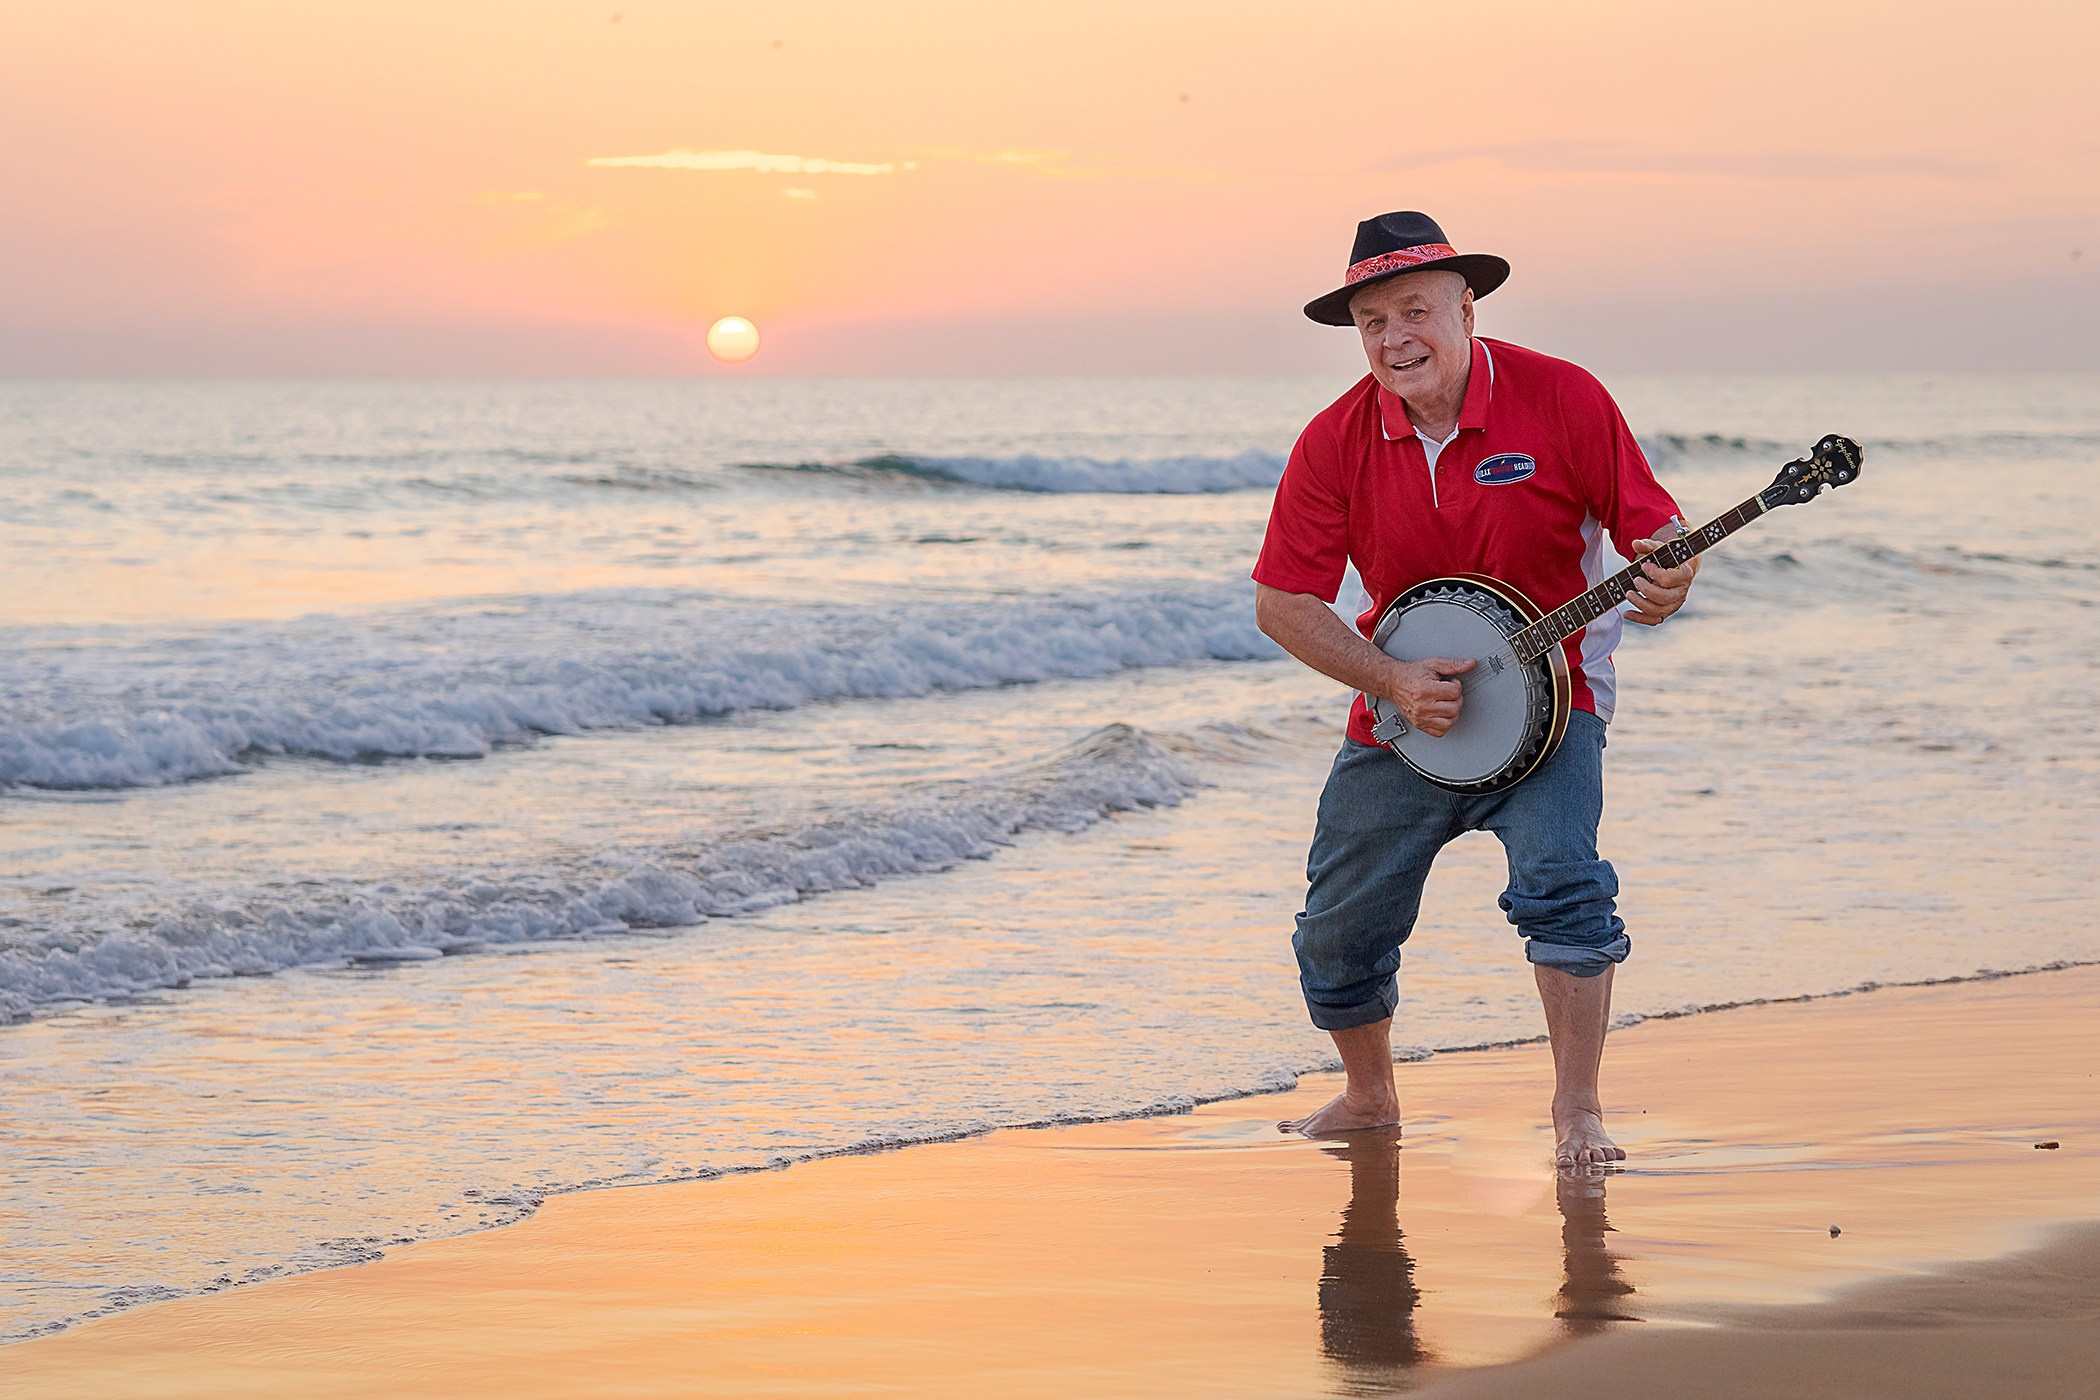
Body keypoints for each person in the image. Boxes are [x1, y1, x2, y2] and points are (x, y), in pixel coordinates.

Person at [1253, 211, 1698, 1168]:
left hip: (1557, 699)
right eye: (1372, 321)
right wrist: (1390, 679)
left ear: (1466, 306)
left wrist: (1668, 572)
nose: (1393, 338)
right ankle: (1369, 1097)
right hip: (1409, 714)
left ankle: (1576, 1111)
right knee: (1336, 923)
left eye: (1414, 310)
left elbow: (1651, 531)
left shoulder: (1563, 397)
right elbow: (1282, 600)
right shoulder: (1334, 439)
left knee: (1564, 888)